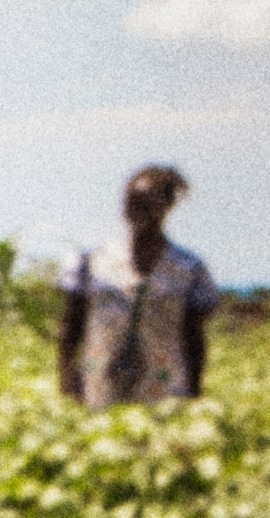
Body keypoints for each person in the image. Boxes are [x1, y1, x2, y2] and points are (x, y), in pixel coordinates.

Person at [60, 165, 218, 408]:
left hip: (165, 388)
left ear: (166, 206)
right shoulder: (92, 262)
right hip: (100, 388)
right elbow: (72, 324)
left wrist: (194, 393)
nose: (136, 211)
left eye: (146, 203)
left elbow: (194, 336)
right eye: (131, 202)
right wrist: (67, 380)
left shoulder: (187, 268)